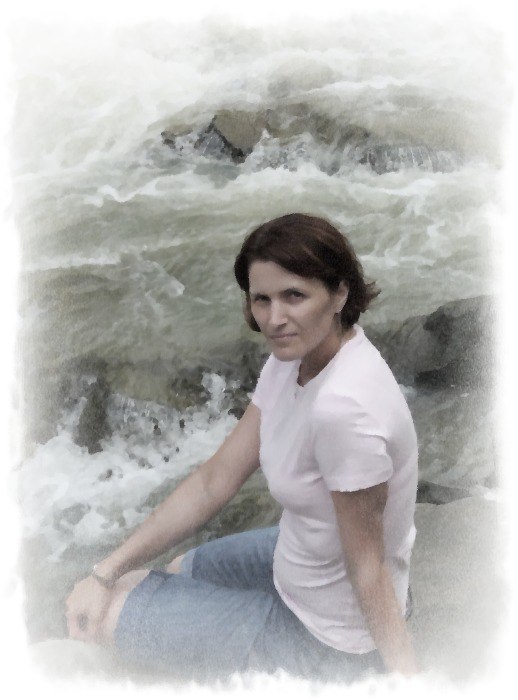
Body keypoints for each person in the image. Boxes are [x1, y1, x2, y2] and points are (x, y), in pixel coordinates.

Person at [65, 213, 419, 682]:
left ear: (340, 293)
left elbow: (368, 568)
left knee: (104, 617)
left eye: (295, 295)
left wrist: (407, 680)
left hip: (330, 640)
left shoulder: (345, 411)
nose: (275, 319)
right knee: (167, 572)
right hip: (298, 563)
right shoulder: (296, 357)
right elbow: (215, 480)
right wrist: (104, 570)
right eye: (261, 299)